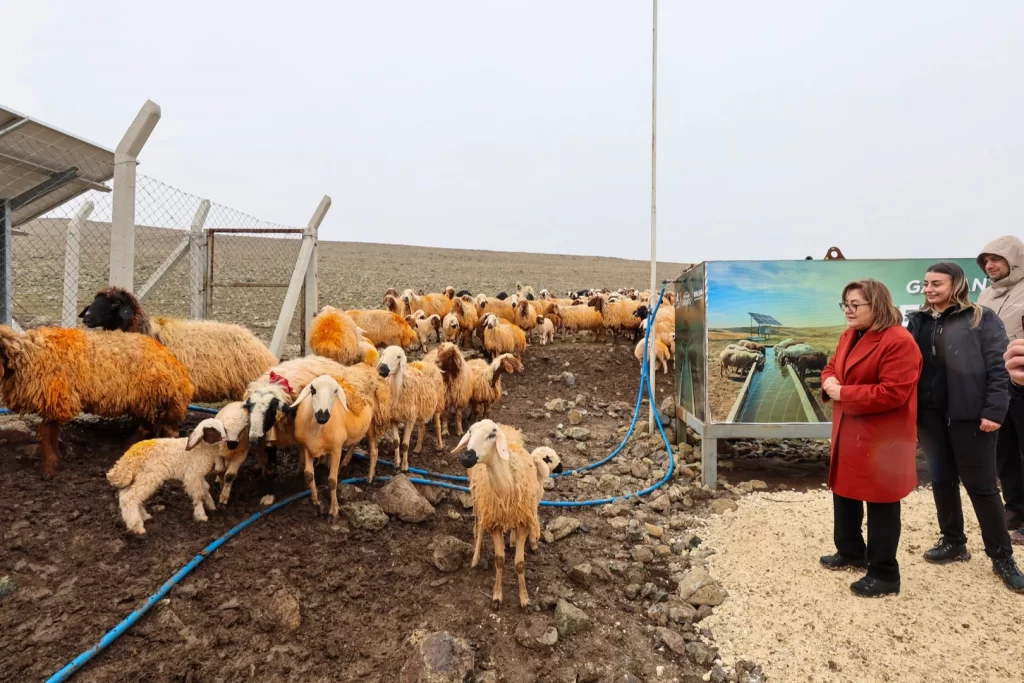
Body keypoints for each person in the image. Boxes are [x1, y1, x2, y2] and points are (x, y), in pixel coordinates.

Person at [907, 262, 1024, 593]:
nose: (929, 289)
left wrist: (995, 410)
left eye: (937, 284)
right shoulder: (917, 321)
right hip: (930, 415)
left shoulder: (981, 317)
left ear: (956, 284)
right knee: (942, 480)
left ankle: (1002, 558)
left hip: (971, 416)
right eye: (926, 283)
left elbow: (999, 367)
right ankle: (954, 542)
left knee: (983, 487)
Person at [819, 279, 922, 597]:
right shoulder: (849, 335)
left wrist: (843, 392)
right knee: (845, 492)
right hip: (850, 431)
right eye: (845, 304)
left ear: (876, 304)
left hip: (882, 438)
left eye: (855, 305)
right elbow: (830, 368)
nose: (848, 310)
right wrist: (830, 381)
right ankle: (851, 551)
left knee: (882, 503)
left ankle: (884, 573)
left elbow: (894, 392)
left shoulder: (899, 341)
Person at [977, 236, 1024, 543]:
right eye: (986, 261)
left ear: (1014, 260)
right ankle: (1016, 508)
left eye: (996, 259)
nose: (990, 265)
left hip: (1021, 379)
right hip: (994, 382)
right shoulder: (985, 294)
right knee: (1004, 448)